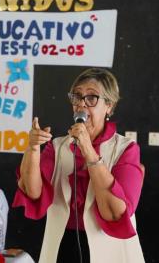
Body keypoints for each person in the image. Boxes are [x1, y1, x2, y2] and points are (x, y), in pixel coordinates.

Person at [13, 68, 145, 263]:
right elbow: (32, 192)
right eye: (77, 97)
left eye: (91, 98)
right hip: (62, 246)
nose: (81, 105)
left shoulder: (126, 149)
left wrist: (88, 149)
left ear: (109, 105)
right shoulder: (58, 146)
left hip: (109, 249)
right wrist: (32, 148)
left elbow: (114, 212)